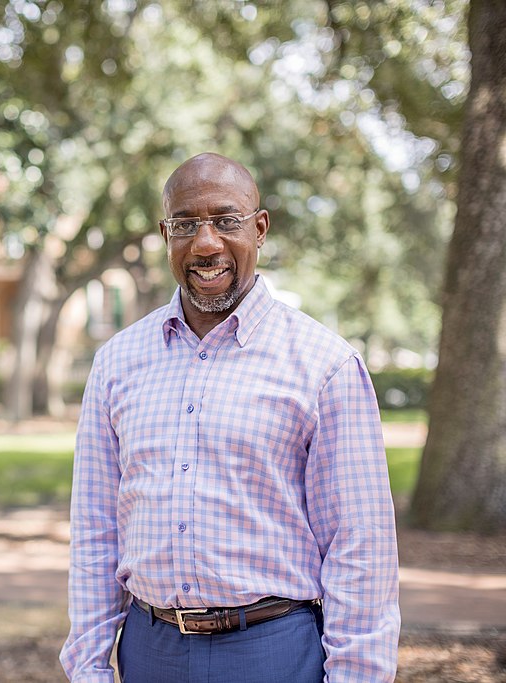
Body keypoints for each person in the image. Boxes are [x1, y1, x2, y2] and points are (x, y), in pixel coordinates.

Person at [60, 153, 399, 682]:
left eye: (226, 220)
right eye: (186, 225)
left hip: (275, 651)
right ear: (165, 234)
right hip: (150, 652)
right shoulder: (116, 362)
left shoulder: (325, 365)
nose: (206, 243)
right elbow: (96, 532)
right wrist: (88, 668)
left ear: (259, 229)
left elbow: (360, 549)